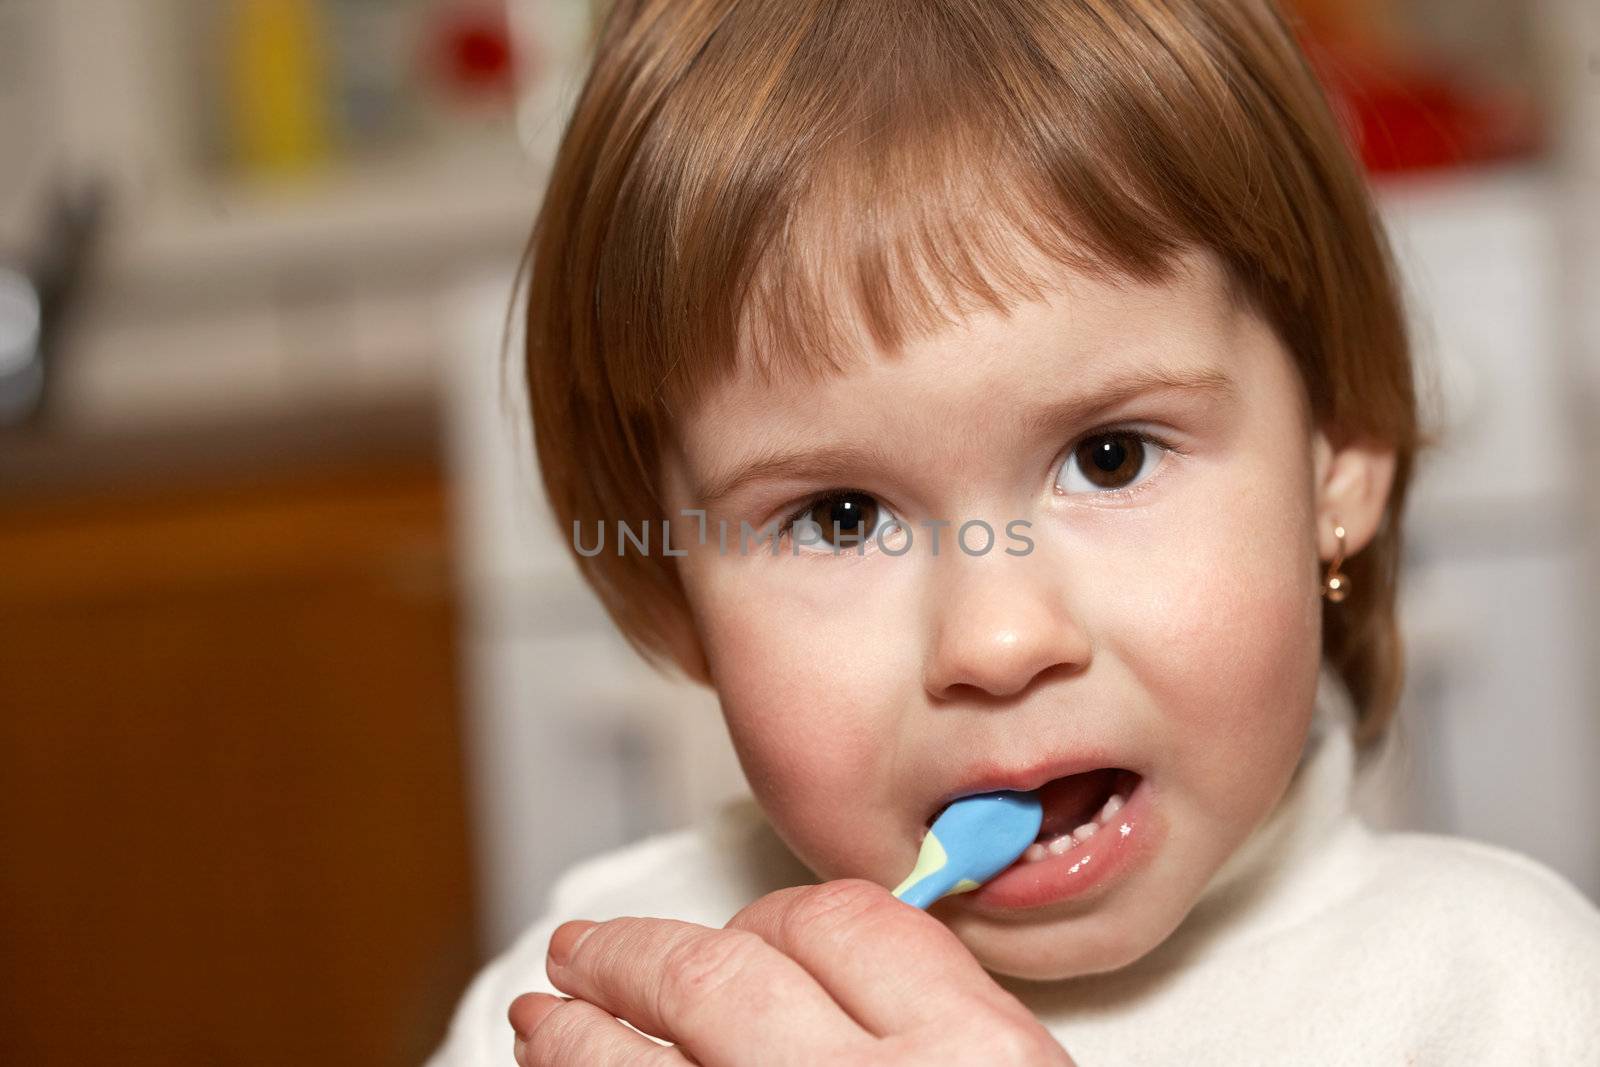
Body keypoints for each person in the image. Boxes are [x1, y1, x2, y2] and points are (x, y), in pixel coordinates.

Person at [429, 0, 1600, 1062]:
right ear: (674, 595)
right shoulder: (595, 1011)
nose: (994, 639)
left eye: (1110, 455)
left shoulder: (1508, 1000)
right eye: (840, 516)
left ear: (1335, 465)